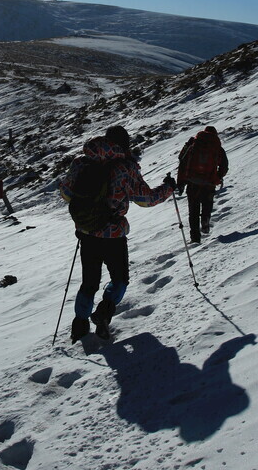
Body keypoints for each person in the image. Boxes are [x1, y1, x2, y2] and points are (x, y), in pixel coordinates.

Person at [60, 125, 175, 343]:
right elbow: (146, 199)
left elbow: (66, 194)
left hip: (87, 232)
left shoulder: (81, 162)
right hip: (114, 235)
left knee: (89, 282)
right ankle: (103, 313)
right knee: (120, 279)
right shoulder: (125, 167)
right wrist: (168, 188)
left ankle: (79, 326)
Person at [176, 126, 228, 244]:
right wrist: (218, 177)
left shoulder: (193, 143)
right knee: (207, 204)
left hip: (193, 182)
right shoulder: (217, 147)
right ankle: (205, 220)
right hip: (209, 183)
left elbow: (182, 160)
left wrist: (181, 182)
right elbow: (224, 166)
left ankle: (195, 238)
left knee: (193, 212)